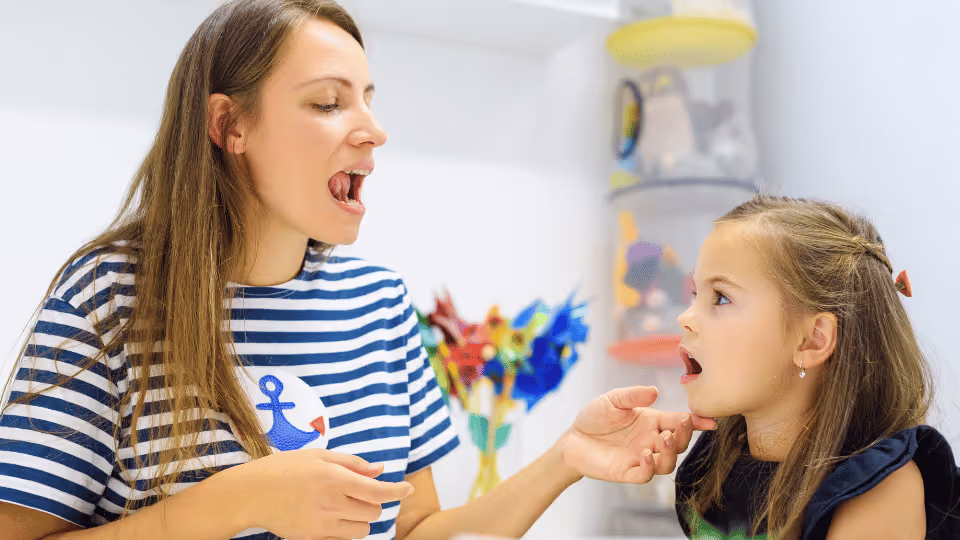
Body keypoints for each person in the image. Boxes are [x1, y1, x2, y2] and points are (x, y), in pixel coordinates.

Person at [0, 1, 715, 539]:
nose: (372, 128)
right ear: (229, 127)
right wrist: (234, 503)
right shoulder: (108, 298)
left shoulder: (377, 304)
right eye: (328, 102)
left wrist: (568, 457)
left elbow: (418, 532)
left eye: (369, 100)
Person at [672, 193, 960, 540]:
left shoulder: (880, 487)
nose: (685, 318)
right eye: (694, 296)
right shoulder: (714, 462)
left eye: (721, 297)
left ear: (812, 341)